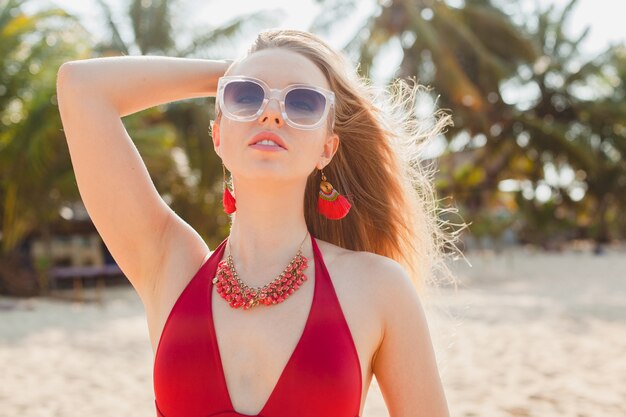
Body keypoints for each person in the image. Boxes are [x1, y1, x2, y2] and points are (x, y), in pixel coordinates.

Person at [57, 28, 457, 417]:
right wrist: (231, 72)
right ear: (217, 136)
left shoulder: (377, 287)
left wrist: (250, 80)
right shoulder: (171, 264)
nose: (270, 112)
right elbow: (80, 86)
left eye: (302, 103)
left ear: (326, 148)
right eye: (246, 97)